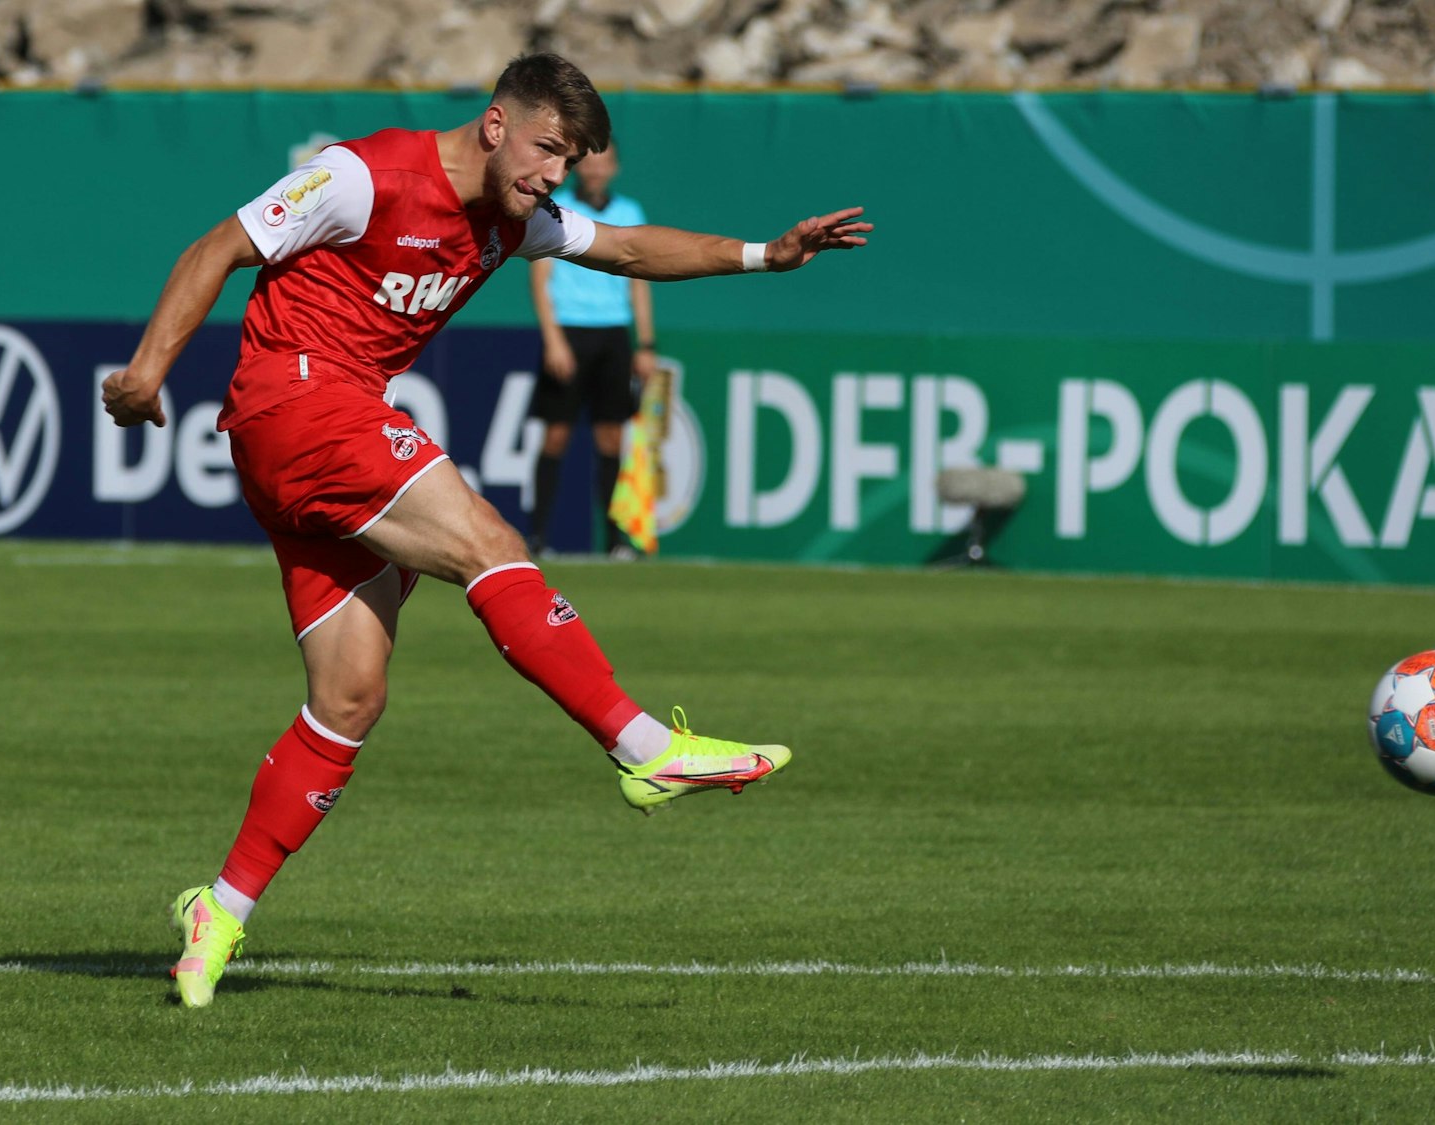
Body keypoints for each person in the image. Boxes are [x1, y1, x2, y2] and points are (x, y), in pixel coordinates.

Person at [100, 53, 871, 1009]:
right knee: (491, 543)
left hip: (308, 447)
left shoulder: (515, 217)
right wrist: (145, 374)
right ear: (499, 123)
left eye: (573, 158)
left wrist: (766, 255)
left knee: (349, 699)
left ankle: (217, 910)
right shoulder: (362, 176)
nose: (556, 174)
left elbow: (629, 251)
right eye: (550, 149)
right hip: (298, 403)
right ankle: (642, 748)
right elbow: (215, 245)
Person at [525, 143, 656, 559]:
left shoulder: (629, 214)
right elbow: (540, 280)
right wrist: (554, 340)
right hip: (570, 331)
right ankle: (538, 536)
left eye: (605, 161)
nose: (597, 169)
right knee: (556, 436)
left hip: (613, 334)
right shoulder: (555, 208)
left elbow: (640, 283)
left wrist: (645, 344)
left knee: (612, 438)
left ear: (615, 167)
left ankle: (615, 539)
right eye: (590, 161)